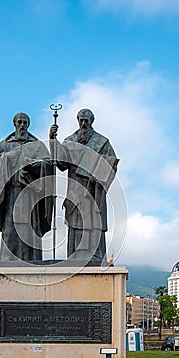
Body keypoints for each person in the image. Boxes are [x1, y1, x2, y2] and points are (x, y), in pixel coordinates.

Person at [49, 109, 119, 263]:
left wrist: (96, 172)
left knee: (93, 222)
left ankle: (95, 256)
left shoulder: (102, 142)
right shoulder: (70, 141)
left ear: (92, 121)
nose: (83, 123)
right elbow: (61, 164)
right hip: (75, 190)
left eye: (86, 120)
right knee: (76, 222)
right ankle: (75, 255)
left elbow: (111, 164)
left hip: (93, 191)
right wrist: (53, 141)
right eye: (81, 120)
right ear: (77, 120)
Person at [0, 112, 53, 262]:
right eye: (20, 123)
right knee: (10, 228)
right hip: (12, 193)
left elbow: (48, 164)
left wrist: (35, 165)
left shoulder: (36, 144)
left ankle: (32, 259)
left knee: (30, 227)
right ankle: (8, 259)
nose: (22, 126)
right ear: (15, 124)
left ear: (28, 125)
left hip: (30, 193)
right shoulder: (5, 144)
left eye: (25, 123)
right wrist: (7, 158)